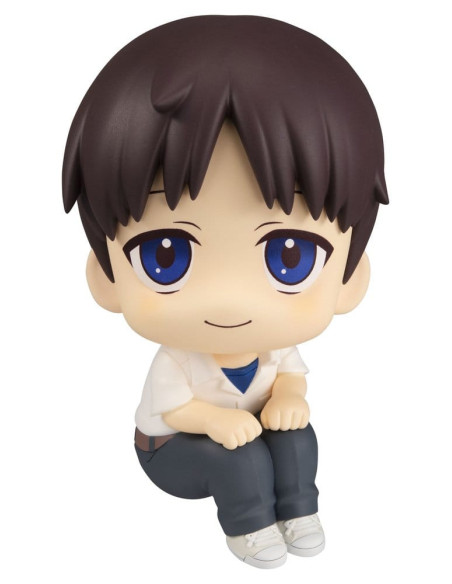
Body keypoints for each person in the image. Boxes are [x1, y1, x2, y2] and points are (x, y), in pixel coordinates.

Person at [62, 15, 388, 568]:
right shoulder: (178, 360)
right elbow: (171, 410)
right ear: (106, 277)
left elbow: (290, 378)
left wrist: (289, 399)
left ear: (349, 279)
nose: (229, 299)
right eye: (166, 254)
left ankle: (298, 511)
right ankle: (249, 526)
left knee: (298, 438)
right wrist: (213, 421)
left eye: (290, 256)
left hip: (250, 436)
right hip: (171, 452)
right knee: (237, 460)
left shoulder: (276, 348)